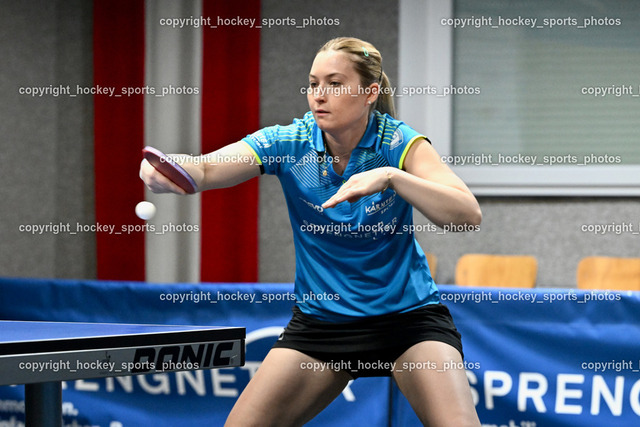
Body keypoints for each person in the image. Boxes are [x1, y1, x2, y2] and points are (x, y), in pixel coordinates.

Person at [140, 37, 482, 427]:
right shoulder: (289, 142)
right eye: (313, 83)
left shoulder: (398, 142)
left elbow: (466, 215)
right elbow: (205, 168)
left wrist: (393, 177)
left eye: (335, 84)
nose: (319, 95)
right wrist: (167, 168)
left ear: (370, 93)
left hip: (407, 320)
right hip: (321, 325)